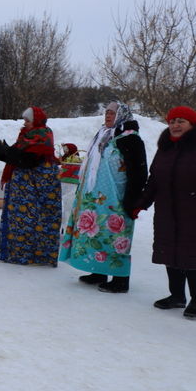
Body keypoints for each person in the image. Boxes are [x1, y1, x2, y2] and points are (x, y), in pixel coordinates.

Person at [59, 102, 147, 293]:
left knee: (116, 237)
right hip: (95, 199)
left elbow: (139, 173)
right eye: (106, 112)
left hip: (117, 199)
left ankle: (120, 279)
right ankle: (98, 271)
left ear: (122, 115)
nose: (107, 116)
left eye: (112, 113)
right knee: (95, 233)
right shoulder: (104, 135)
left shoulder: (131, 139)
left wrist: (133, 200)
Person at [136, 106, 196, 319]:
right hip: (167, 211)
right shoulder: (165, 148)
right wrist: (140, 203)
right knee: (170, 252)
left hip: (192, 212)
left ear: (192, 125)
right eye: (172, 121)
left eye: (181, 121)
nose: (175, 125)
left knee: (192, 256)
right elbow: (154, 180)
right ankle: (177, 296)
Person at [0, 106, 61, 266]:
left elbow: (30, 159)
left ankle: (34, 255)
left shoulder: (43, 134)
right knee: (19, 218)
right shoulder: (26, 135)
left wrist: (6, 152)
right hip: (22, 186)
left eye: (28, 120)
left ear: (36, 120)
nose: (25, 123)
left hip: (38, 186)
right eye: (25, 120)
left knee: (34, 219)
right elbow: (19, 154)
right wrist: (4, 150)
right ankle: (16, 253)